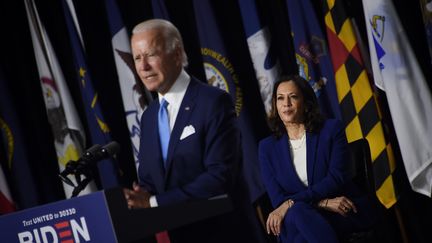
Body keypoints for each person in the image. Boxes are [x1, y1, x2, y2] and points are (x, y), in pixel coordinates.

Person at [123, 19, 256, 243]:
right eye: (137, 58)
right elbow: (150, 180)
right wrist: (137, 197)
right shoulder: (148, 117)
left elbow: (219, 176)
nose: (143, 67)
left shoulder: (213, 101)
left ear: (176, 54)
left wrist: (154, 203)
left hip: (224, 234)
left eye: (151, 55)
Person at [258, 75, 376, 242]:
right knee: (297, 214)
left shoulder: (331, 130)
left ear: (306, 104)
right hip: (310, 211)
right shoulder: (267, 148)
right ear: (275, 105)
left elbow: (336, 177)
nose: (286, 103)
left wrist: (292, 203)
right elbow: (278, 199)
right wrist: (322, 203)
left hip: (340, 211)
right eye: (280, 98)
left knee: (297, 229)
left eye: (293, 97)